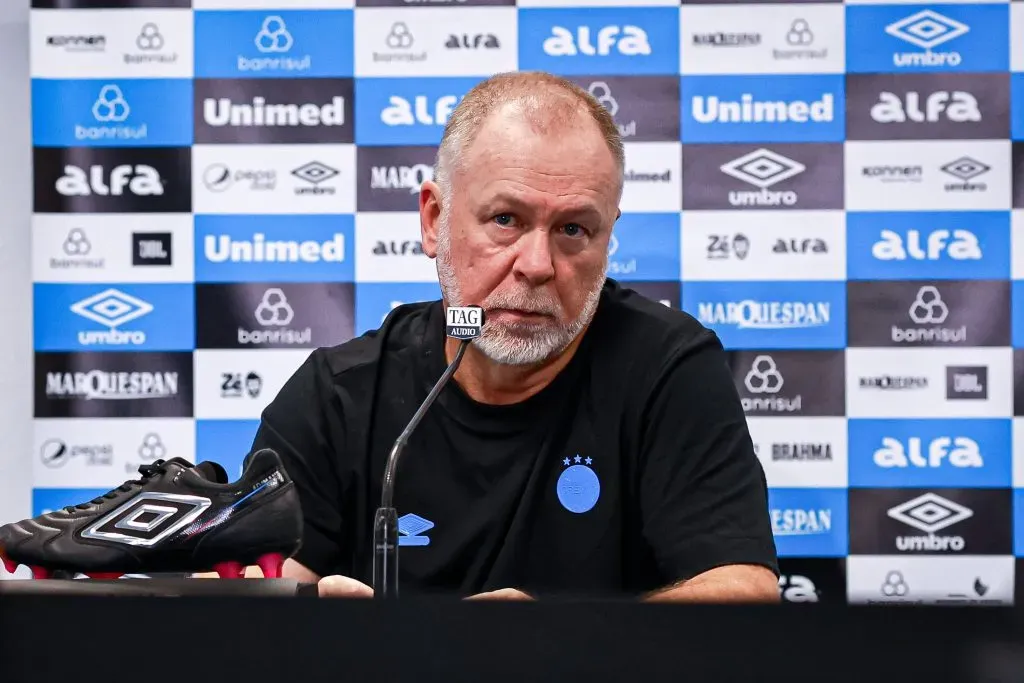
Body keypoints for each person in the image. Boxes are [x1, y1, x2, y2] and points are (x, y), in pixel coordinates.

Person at [243, 71, 780, 601]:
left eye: (574, 229)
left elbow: (744, 591)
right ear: (434, 220)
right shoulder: (340, 392)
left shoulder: (665, 366)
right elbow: (254, 585)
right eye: (505, 219)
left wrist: (553, 645)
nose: (538, 265)